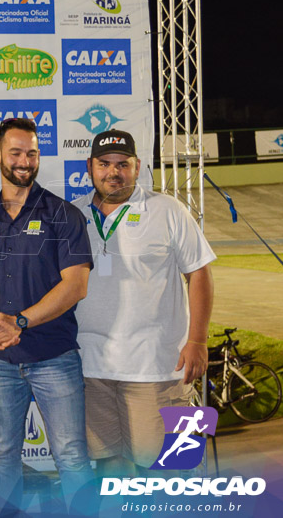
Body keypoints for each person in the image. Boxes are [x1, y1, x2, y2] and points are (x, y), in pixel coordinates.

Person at [0, 117, 95, 511]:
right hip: (0, 361)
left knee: (72, 456)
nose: (24, 161)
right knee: (3, 456)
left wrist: (19, 321)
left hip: (55, 356)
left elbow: (76, 285)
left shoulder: (63, 215)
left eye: (32, 153)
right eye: (16, 152)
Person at [73, 130, 214, 476]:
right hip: (91, 367)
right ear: (90, 167)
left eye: (124, 164)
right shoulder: (72, 214)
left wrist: (197, 340)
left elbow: (200, 275)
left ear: (138, 168)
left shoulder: (167, 210)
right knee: (109, 467)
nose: (113, 172)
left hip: (158, 367)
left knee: (172, 469)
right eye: (104, 164)